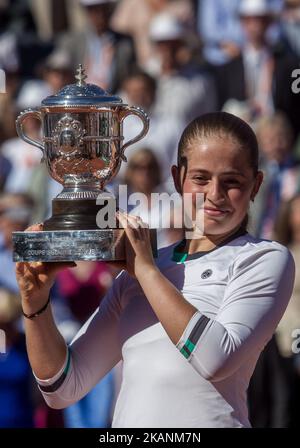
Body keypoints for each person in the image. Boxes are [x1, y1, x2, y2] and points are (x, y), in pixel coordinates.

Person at [15, 112, 295, 428]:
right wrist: (35, 303)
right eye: (201, 179)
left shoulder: (264, 258)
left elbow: (216, 359)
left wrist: (146, 272)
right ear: (177, 179)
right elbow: (62, 388)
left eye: (232, 182)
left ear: (256, 184)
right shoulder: (141, 271)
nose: (215, 194)